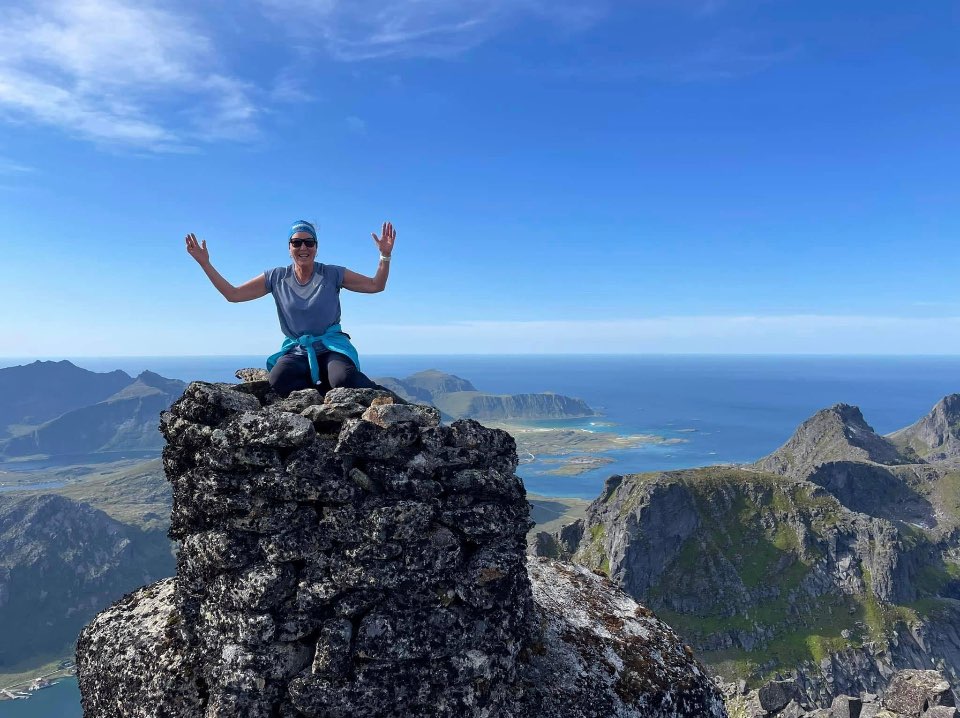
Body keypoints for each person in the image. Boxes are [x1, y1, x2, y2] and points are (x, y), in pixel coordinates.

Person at [185, 219, 395, 397]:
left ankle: (382, 395)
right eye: (297, 243)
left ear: (316, 247)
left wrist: (384, 256)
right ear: (289, 248)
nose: (303, 248)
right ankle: (321, 394)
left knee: (344, 378)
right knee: (278, 379)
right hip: (298, 349)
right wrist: (205, 263)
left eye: (309, 242)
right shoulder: (276, 277)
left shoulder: (332, 274)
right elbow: (233, 294)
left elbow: (376, 285)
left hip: (331, 346)